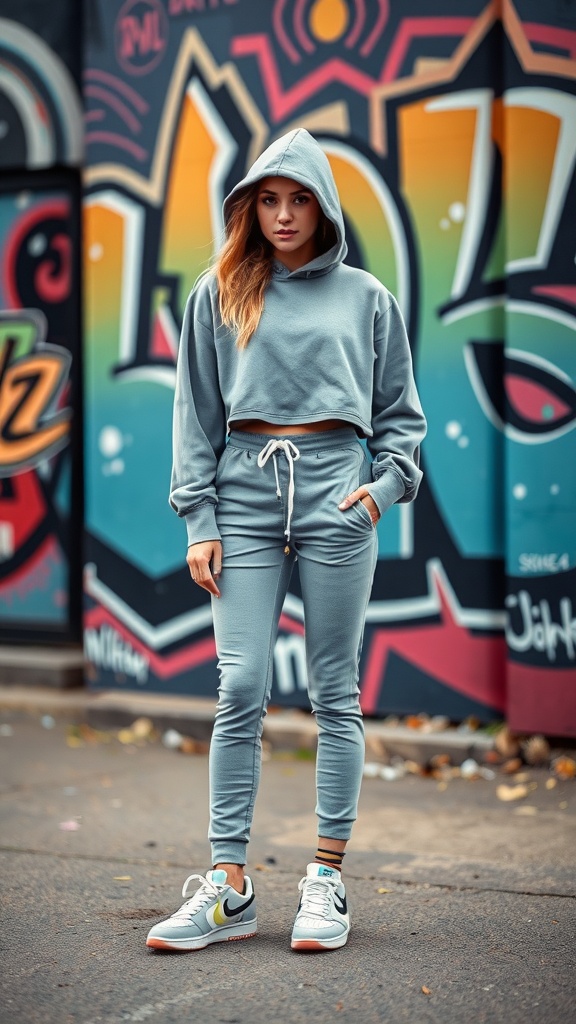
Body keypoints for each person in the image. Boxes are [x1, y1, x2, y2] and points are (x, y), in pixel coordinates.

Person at [146, 128, 426, 954]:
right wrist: (198, 520)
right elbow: (194, 413)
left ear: (323, 204)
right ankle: (229, 889)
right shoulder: (222, 291)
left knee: (335, 692)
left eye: (298, 198)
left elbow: (403, 423)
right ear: (247, 207)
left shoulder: (369, 297)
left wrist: (378, 496)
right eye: (267, 200)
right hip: (242, 494)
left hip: (339, 490)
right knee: (240, 687)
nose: (283, 214)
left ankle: (327, 879)